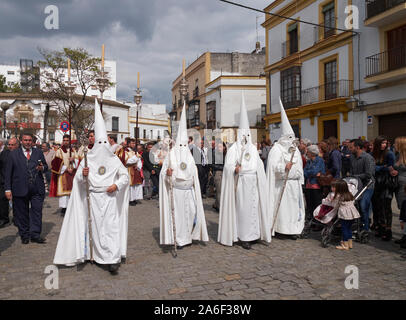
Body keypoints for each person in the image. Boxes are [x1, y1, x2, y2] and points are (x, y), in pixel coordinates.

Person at [54, 99, 129, 275]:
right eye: (99, 143)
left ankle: (112, 259)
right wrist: (83, 174)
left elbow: (124, 176)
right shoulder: (88, 158)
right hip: (93, 198)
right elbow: (78, 179)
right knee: (93, 226)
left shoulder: (114, 159)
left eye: (105, 143)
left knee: (110, 227)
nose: (102, 147)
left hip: (109, 198)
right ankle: (92, 254)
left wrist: (115, 185)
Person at [218, 94, 271, 249]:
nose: (245, 138)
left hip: (253, 184)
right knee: (243, 210)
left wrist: (260, 177)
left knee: (254, 208)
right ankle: (243, 236)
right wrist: (235, 169)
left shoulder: (253, 149)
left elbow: (259, 166)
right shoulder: (234, 148)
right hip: (240, 184)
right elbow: (227, 166)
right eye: (243, 135)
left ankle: (254, 234)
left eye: (248, 135)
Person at [159, 103, 209, 248]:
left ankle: (188, 237)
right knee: (179, 216)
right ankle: (179, 239)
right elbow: (164, 175)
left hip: (189, 191)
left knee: (191, 213)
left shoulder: (190, 156)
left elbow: (194, 171)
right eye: (179, 145)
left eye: (184, 144)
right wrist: (167, 175)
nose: (182, 147)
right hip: (176, 191)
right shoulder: (171, 155)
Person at [267, 98, 305, 240]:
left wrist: (300, 180)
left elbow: (300, 166)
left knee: (294, 209)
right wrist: (284, 167)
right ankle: (281, 229)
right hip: (282, 184)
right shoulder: (276, 149)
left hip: (294, 186)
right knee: (284, 209)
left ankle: (293, 229)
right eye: (288, 137)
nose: (291, 140)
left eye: (292, 137)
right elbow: (272, 167)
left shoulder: (295, 150)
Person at [4, 133, 48, 244]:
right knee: (21, 213)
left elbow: (46, 167)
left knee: (37, 212)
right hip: (19, 188)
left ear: (32, 141)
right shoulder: (13, 154)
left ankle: (35, 234)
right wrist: (7, 189)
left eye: (29, 140)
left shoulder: (38, 152)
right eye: (25, 140)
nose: (28, 142)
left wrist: (42, 167)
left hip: (37, 188)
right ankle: (24, 234)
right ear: (21, 141)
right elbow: (8, 173)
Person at [323, 179, 360, 251]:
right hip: (352, 214)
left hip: (345, 215)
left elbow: (336, 205)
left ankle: (345, 245)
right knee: (349, 229)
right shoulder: (349, 194)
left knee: (344, 229)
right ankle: (350, 244)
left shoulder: (339, 196)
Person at [371, 136, 396, 240]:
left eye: (385, 143)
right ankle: (380, 227)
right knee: (377, 206)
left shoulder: (389, 154)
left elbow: (392, 167)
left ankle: (388, 230)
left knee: (386, 207)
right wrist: (382, 167)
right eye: (382, 143)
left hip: (386, 183)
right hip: (376, 183)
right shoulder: (372, 154)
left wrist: (382, 168)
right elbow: (372, 168)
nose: (384, 145)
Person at [348, 139, 375, 232]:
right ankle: (357, 226)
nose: (349, 149)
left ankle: (366, 228)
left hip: (367, 186)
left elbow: (369, 174)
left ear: (357, 147)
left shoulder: (367, 158)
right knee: (353, 205)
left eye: (351, 147)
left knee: (363, 206)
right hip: (356, 186)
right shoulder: (352, 157)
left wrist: (354, 176)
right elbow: (351, 171)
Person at [49, 135, 78, 216]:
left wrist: (74, 160)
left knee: (71, 192)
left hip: (72, 174)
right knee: (64, 193)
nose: (66, 142)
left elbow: (78, 161)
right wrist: (65, 168)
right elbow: (55, 163)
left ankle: (71, 208)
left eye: (67, 140)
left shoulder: (73, 150)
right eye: (64, 140)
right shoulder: (59, 151)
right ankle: (64, 209)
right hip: (63, 174)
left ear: (70, 141)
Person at [116, 139, 143, 206]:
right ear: (128, 144)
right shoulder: (125, 151)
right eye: (132, 143)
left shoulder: (134, 152)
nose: (134, 144)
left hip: (136, 169)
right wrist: (135, 158)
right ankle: (130, 199)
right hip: (129, 169)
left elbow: (139, 160)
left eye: (134, 143)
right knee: (130, 185)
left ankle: (135, 198)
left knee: (136, 184)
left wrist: (138, 166)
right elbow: (126, 161)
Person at [0, 138, 19, 228]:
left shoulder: (20, 153)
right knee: (2, 201)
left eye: (12, 145)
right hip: (3, 181)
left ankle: (17, 218)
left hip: (16, 181)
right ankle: (4, 218)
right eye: (9, 145)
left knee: (17, 201)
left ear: (17, 145)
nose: (10, 146)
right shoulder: (4, 153)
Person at [303, 145, 325, 223]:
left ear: (312, 153)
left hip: (316, 185)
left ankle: (317, 222)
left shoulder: (319, 160)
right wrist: (312, 173)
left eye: (308, 152)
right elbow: (304, 172)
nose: (307, 153)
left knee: (316, 204)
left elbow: (315, 171)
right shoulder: (309, 161)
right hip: (308, 185)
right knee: (310, 205)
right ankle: (312, 221)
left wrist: (311, 172)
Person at [391, 137, 406, 245]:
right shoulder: (398, 155)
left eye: (396, 143)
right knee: (401, 208)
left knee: (404, 209)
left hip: (404, 186)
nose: (394, 145)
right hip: (398, 185)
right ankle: (404, 234)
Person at [211, 141, 226, 212]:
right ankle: (220, 207)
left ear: (224, 147)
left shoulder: (226, 154)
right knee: (219, 191)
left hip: (225, 174)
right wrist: (222, 168)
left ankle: (216, 204)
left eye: (221, 146)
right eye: (218, 147)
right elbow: (212, 165)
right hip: (218, 173)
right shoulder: (215, 154)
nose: (219, 148)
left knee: (221, 190)